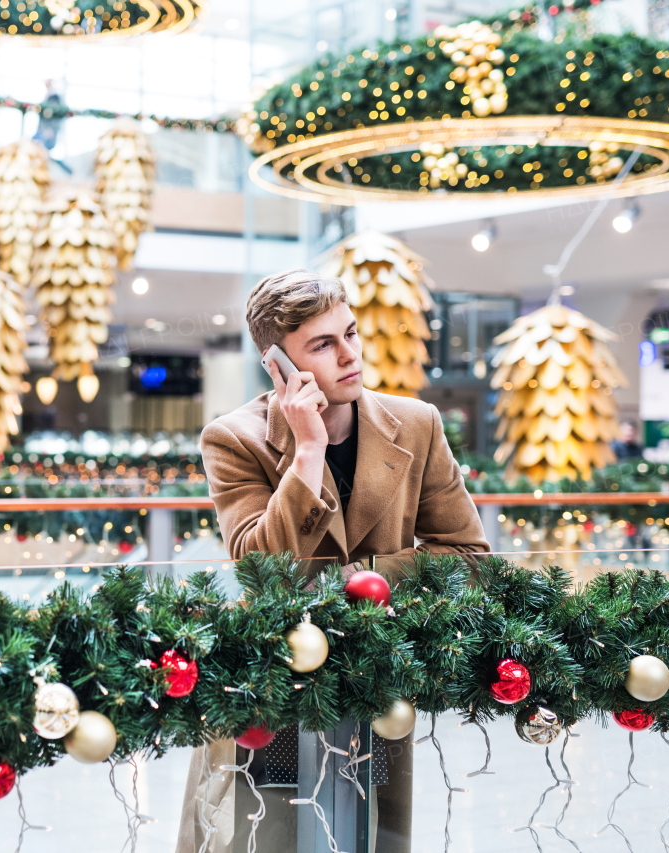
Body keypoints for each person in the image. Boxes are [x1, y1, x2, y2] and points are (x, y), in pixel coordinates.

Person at [177, 269, 489, 853]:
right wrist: (309, 452)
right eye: (322, 345)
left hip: (376, 680)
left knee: (372, 837)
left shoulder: (416, 424)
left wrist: (362, 580)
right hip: (271, 686)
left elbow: (468, 556)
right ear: (278, 364)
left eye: (350, 333)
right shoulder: (234, 438)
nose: (349, 355)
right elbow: (257, 567)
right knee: (260, 835)